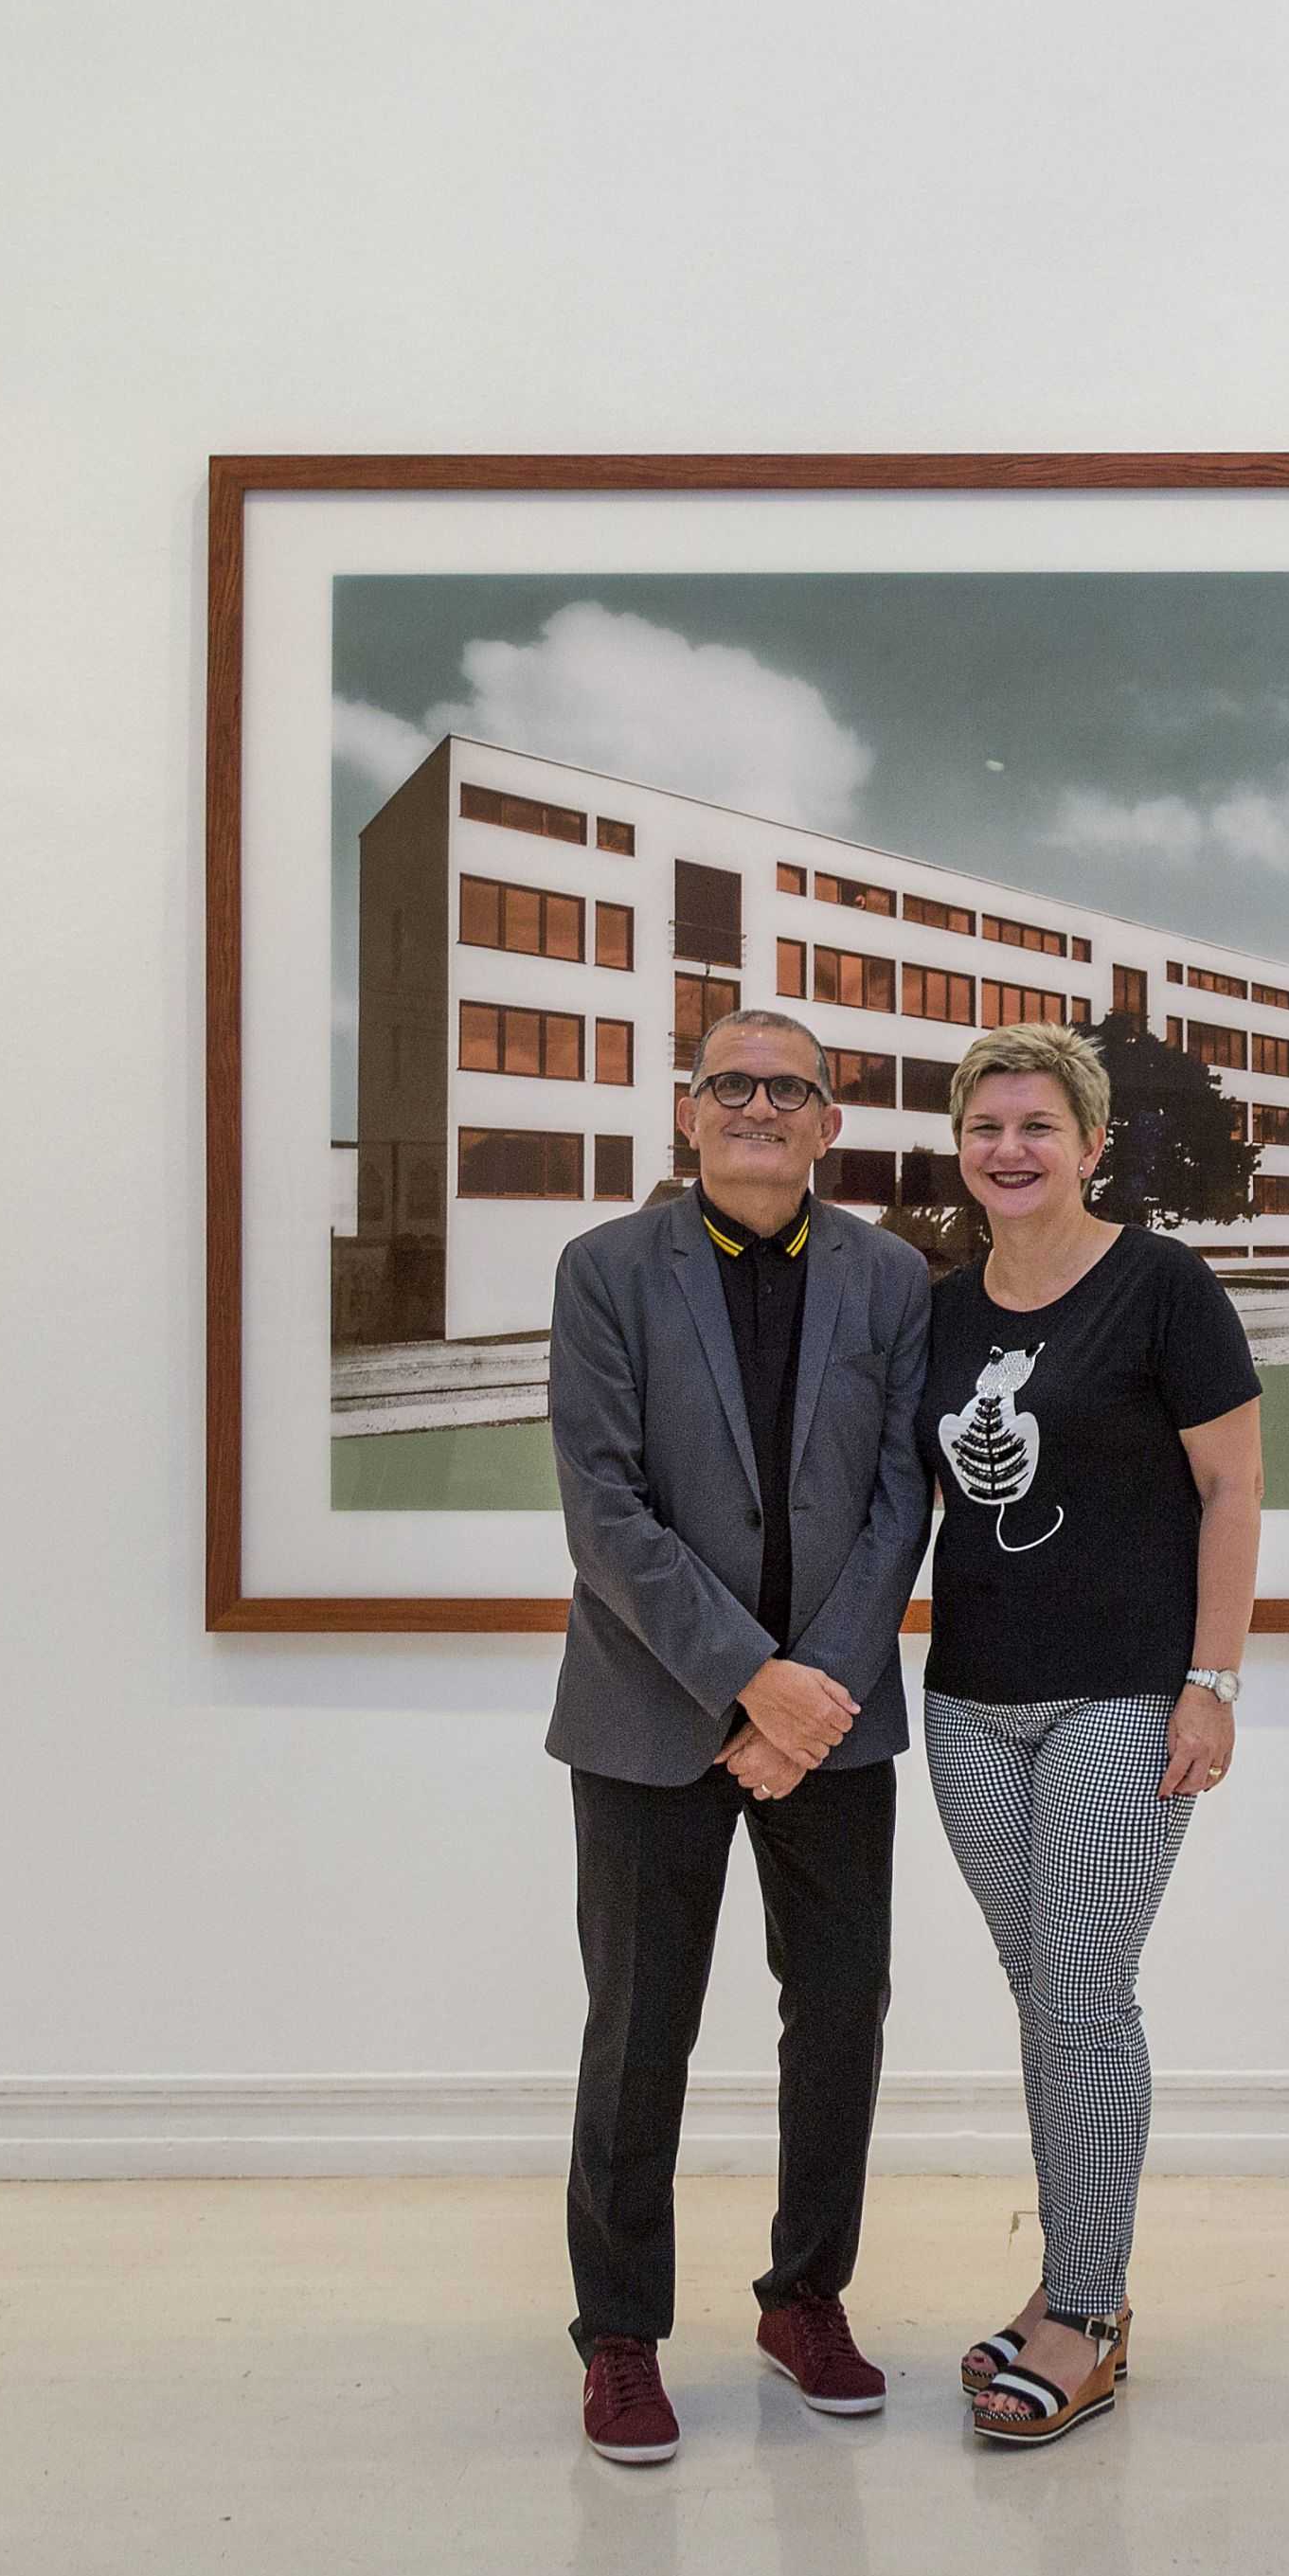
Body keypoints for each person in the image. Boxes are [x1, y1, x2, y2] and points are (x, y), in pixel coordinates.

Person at [543, 1006, 939, 2464]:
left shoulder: (892, 1277)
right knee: (639, 2028)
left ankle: (804, 2296)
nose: (758, 1105)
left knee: (840, 2014)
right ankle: (621, 2335)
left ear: (828, 1123)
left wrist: (811, 1690)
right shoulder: (602, 1272)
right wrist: (743, 1683)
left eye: (790, 1088)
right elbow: (604, 1511)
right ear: (687, 1112)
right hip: (651, 1711)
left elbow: (905, 1495)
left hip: (830, 1719)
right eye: (732, 1083)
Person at [914, 1023, 1262, 2449]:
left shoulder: (1164, 1285)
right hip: (968, 1704)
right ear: (960, 1147)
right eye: (985, 1124)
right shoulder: (941, 1309)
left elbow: (1232, 1487)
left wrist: (1212, 1681)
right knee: (1045, 1991)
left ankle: (1089, 2310)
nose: (1009, 1146)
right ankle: (1070, 2282)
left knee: (1081, 1995)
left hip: (1122, 1696)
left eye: (1037, 1125)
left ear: (1091, 1143)